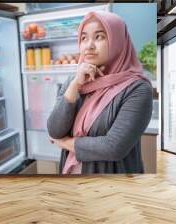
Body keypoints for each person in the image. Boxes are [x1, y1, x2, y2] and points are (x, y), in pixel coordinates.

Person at [47, 11, 153, 174]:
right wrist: (75, 84)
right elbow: (54, 130)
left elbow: (113, 147)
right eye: (84, 38)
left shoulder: (137, 89)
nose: (89, 45)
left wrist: (63, 143)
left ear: (117, 41)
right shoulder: (73, 81)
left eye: (99, 37)